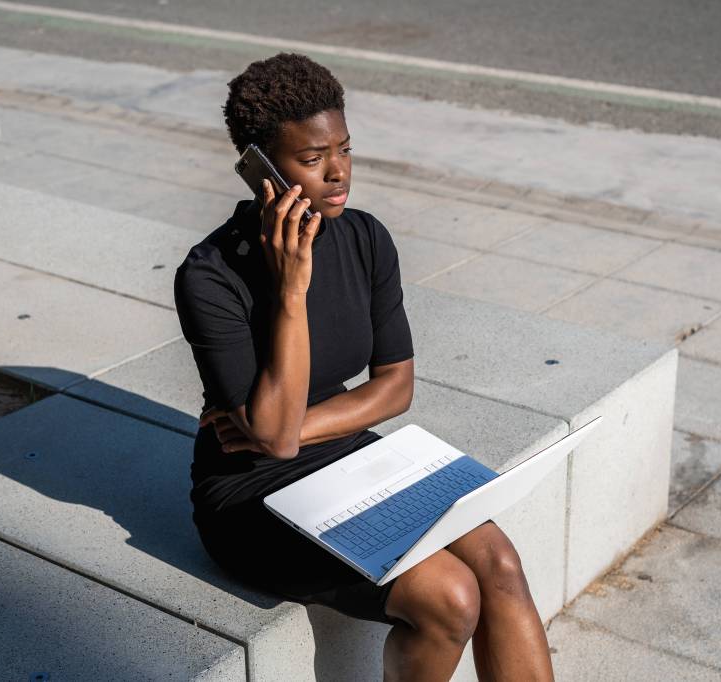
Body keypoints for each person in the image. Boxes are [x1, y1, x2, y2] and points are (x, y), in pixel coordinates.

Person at [173, 53, 554, 681]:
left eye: (344, 149)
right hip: (249, 494)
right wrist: (290, 288)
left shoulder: (366, 238)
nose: (338, 172)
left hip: (347, 456)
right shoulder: (210, 275)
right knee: (451, 599)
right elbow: (270, 439)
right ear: (259, 167)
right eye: (311, 159)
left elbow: (394, 387)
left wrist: (301, 428)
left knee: (501, 564)